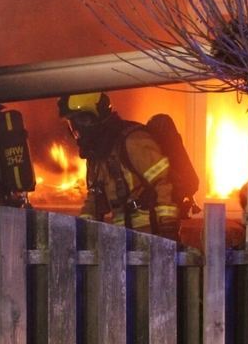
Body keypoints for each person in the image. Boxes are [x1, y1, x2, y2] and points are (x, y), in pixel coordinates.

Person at [57, 92, 179, 240]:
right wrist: (83, 231)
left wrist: (169, 228)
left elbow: (165, 183)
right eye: (72, 124)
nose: (77, 129)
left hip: (153, 236)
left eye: (81, 120)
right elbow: (94, 198)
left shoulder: (134, 142)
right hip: (123, 241)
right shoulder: (97, 155)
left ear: (96, 117)